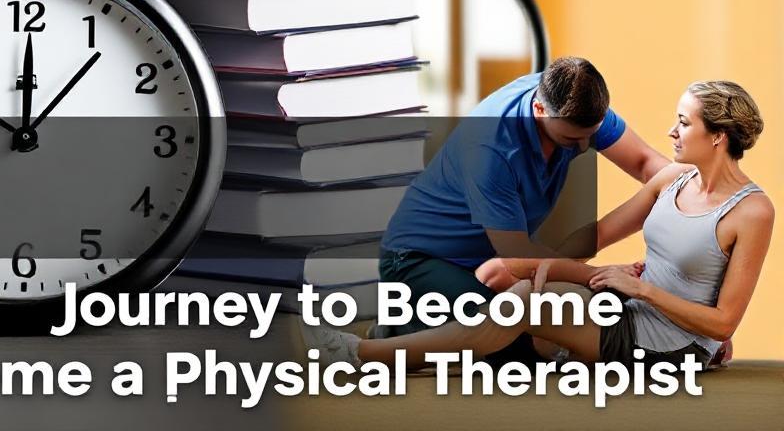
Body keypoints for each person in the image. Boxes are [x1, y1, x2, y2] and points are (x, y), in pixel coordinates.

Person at [308, 81, 773, 370]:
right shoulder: (672, 179)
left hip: (669, 338)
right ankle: (398, 345)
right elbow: (597, 233)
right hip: (627, 306)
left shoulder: (752, 212)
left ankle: (358, 353)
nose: (671, 131)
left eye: (682, 122)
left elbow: (726, 319)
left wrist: (649, 295)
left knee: (518, 316)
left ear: (717, 136)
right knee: (520, 294)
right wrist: (533, 266)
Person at [373, 57, 667, 365]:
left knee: (556, 320)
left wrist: (705, 203)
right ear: (540, 110)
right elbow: (517, 257)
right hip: (419, 259)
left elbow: (646, 164)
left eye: (589, 136)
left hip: (491, 258)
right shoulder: (491, 149)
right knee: (513, 341)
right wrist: (599, 275)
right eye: (572, 139)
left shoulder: (575, 95)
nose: (583, 148)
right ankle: (400, 325)